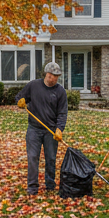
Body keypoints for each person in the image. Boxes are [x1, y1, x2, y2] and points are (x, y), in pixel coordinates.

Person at [16, 62, 67, 196]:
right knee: (33, 157)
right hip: (34, 129)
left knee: (51, 158)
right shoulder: (33, 86)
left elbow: (62, 113)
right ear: (45, 74)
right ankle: (32, 187)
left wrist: (59, 129)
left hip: (50, 130)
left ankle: (50, 184)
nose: (53, 79)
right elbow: (19, 97)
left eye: (56, 77)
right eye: (51, 76)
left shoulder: (60, 91)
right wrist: (20, 101)